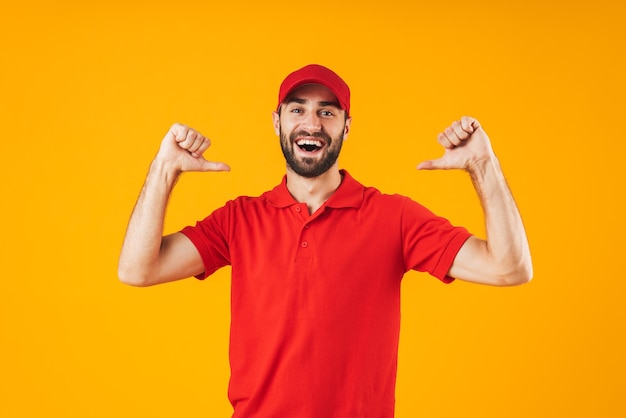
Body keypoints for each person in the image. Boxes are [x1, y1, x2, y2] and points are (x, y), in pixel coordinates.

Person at [118, 64, 532, 417]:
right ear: (277, 121)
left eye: (327, 112)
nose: (311, 123)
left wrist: (483, 165)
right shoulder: (239, 219)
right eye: (297, 109)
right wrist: (164, 170)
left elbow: (509, 268)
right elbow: (138, 269)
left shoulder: (394, 217)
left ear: (346, 126)